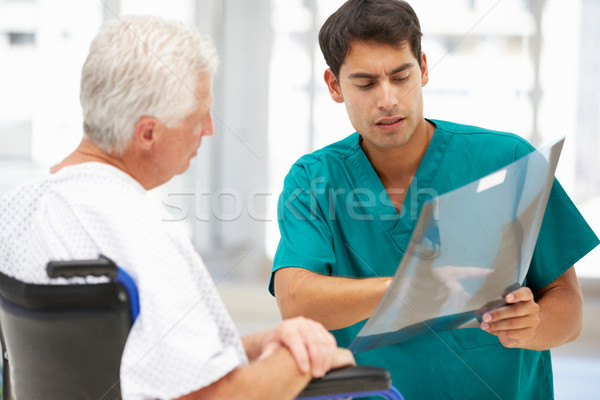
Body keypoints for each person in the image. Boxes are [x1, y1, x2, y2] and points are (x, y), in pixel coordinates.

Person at [0, 15, 355, 400]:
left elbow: (128, 358)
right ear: (148, 133)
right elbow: (209, 397)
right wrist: (297, 358)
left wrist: (263, 343)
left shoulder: (17, 208)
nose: (209, 129)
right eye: (197, 115)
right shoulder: (142, 233)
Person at [269, 0, 599, 399]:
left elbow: (569, 310)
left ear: (423, 68)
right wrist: (410, 287)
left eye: (400, 75)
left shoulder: (507, 159)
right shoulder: (314, 180)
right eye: (365, 83)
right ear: (335, 86)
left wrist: (533, 324)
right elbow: (296, 300)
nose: (387, 99)